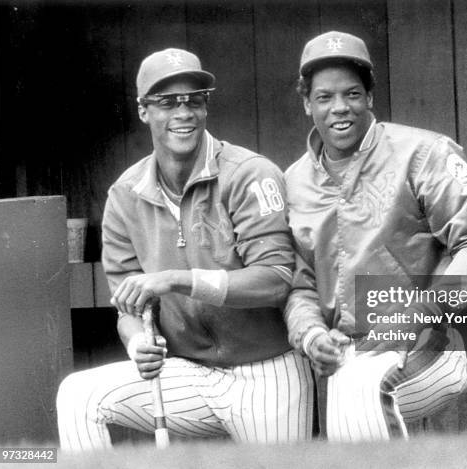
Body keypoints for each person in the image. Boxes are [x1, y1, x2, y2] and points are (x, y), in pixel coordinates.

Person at [56, 48, 313, 451]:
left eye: (194, 100)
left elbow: (276, 280)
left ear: (206, 107)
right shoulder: (125, 194)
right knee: (79, 395)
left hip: (266, 371)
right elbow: (128, 307)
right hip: (188, 374)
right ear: (143, 111)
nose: (183, 112)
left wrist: (175, 280)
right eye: (166, 102)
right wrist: (136, 342)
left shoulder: (248, 173)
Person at [284, 31, 467, 442]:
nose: (339, 109)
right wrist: (311, 335)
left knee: (360, 392)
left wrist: (418, 312)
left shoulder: (423, 153)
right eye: (324, 98)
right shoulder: (294, 181)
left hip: (428, 340)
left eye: (351, 94)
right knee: (331, 415)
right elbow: (300, 285)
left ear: (369, 96)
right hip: (345, 352)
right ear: (306, 104)